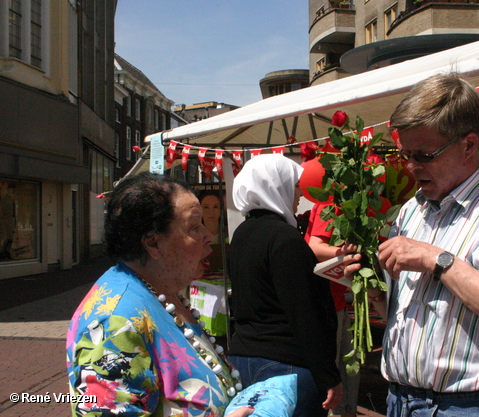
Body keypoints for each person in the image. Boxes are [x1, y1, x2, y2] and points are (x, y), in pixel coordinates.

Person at [343, 72, 479, 416]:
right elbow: (403, 316)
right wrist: (371, 288)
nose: (410, 166)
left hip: (464, 407)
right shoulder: (412, 210)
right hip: (399, 401)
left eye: (423, 155)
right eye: (405, 153)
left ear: (468, 145)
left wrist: (439, 260)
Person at [66, 172, 252, 417]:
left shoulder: (163, 293)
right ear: (153, 243)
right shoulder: (115, 322)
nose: (208, 236)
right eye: (195, 227)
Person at [227, 154, 343, 417]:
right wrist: (329, 375)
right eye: (293, 186)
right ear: (274, 186)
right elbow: (305, 314)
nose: (299, 196)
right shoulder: (285, 238)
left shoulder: (241, 234)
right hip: (286, 364)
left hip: (244, 357)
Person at [304, 201, 360, 417]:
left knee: (348, 373)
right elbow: (314, 247)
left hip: (339, 301)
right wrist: (346, 254)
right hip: (329, 304)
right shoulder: (331, 204)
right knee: (335, 379)